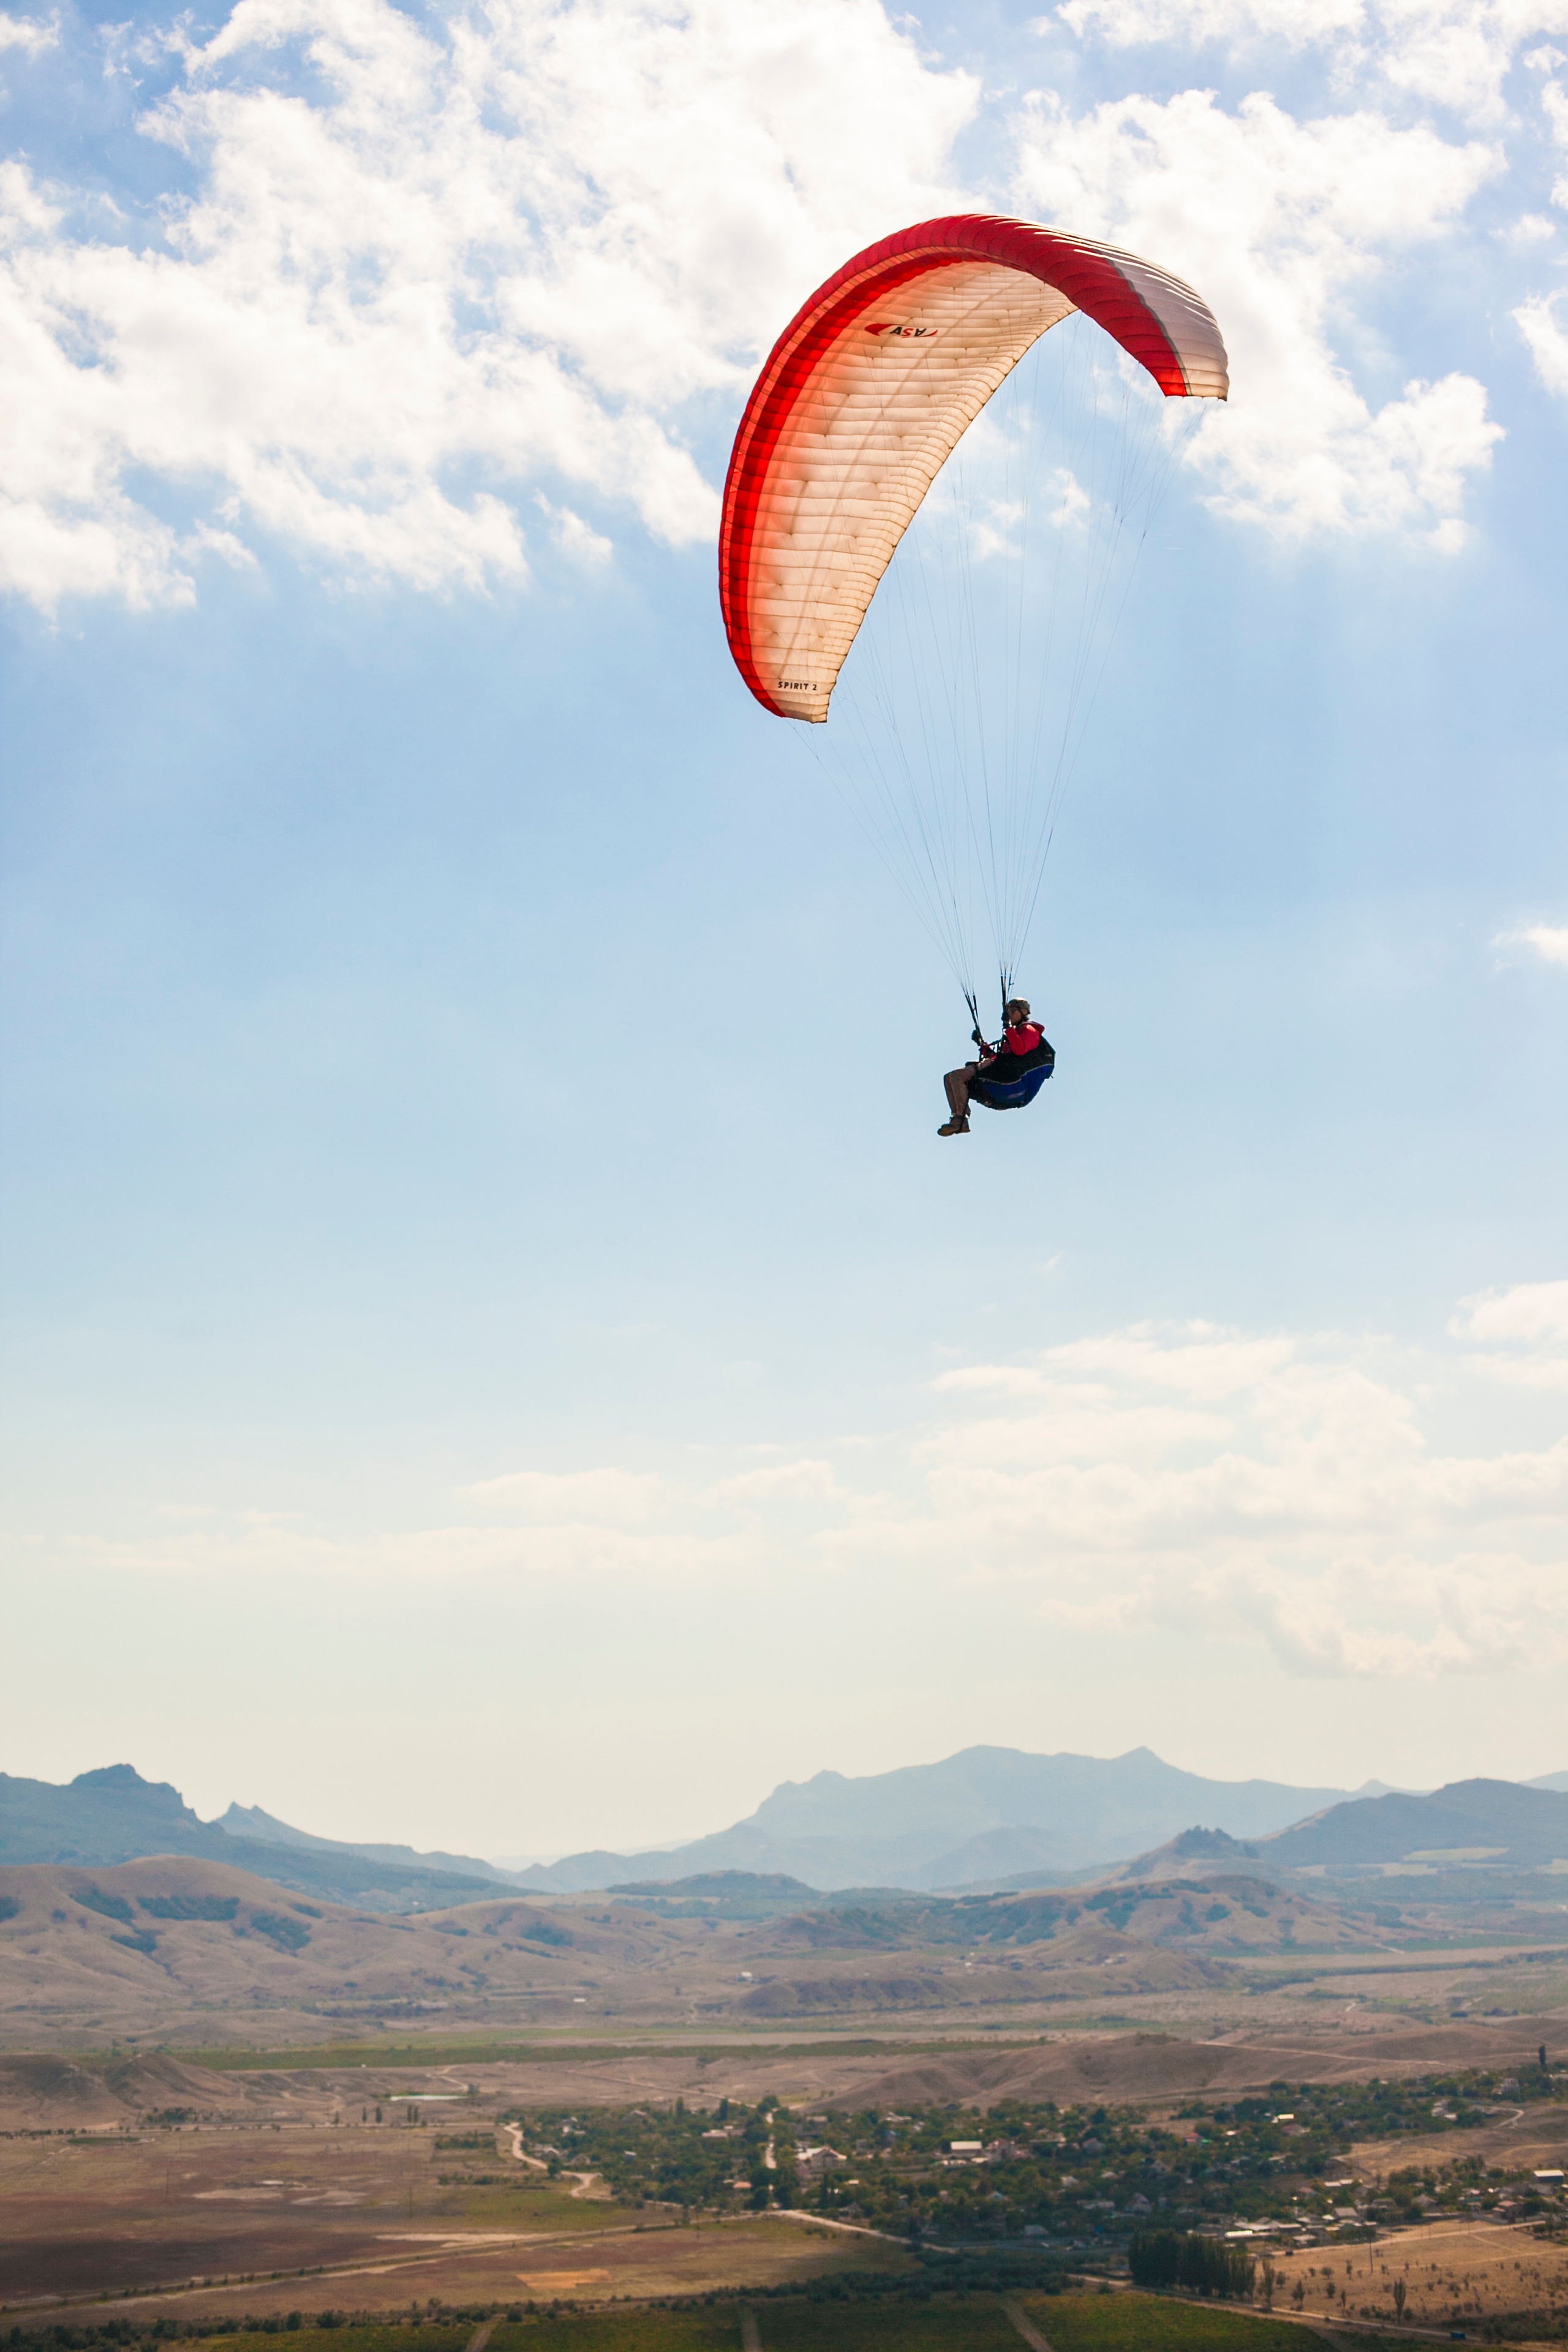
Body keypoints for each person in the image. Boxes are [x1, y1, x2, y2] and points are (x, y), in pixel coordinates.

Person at [939, 998, 1051, 1136]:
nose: (1010, 1014)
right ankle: (959, 1119)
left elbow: (1020, 1050)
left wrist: (1008, 1028)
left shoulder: (1029, 1030)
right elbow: (1000, 1059)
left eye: (1013, 1011)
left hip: (1013, 1083)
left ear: (1024, 1012)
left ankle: (961, 1120)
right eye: (1008, 1012)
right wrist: (981, 1044)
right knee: (949, 1078)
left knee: (956, 1077)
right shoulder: (1014, 1033)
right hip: (1003, 1078)